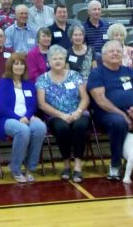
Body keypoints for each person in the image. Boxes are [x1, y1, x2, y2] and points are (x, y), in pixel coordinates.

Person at [87, 40, 133, 181]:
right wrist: (122, 115)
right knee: (119, 122)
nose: (115, 53)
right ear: (103, 55)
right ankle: (115, 164)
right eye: (111, 51)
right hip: (106, 114)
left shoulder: (130, 71)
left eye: (118, 51)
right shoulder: (97, 73)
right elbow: (100, 100)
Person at [36, 45, 90, 183]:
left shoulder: (75, 75)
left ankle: (78, 165)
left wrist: (78, 112)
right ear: (49, 61)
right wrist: (62, 115)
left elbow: (85, 98)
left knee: (80, 126)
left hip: (78, 113)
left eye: (61, 58)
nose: (58, 61)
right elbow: (42, 104)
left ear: (65, 60)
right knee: (62, 128)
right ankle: (66, 164)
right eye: (54, 58)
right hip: (55, 116)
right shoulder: (42, 79)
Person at [0, 53, 46, 183]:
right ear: (10, 66)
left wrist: (27, 117)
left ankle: (30, 168)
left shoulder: (28, 83)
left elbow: (33, 104)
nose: (19, 66)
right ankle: (15, 168)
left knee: (40, 127)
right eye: (16, 64)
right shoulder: (4, 82)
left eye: (22, 64)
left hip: (27, 117)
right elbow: (2, 106)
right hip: (7, 119)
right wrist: (19, 118)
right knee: (23, 130)